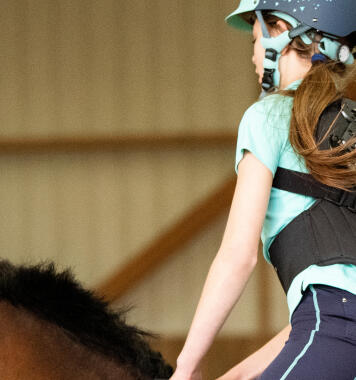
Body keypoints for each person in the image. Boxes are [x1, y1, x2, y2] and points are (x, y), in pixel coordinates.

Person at [170, 1, 356, 379]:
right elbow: (317, 320)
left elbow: (238, 257)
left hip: (334, 326)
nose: (253, 56)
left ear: (278, 32)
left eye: (254, 40)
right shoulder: (349, 127)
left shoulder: (266, 116)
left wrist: (186, 366)